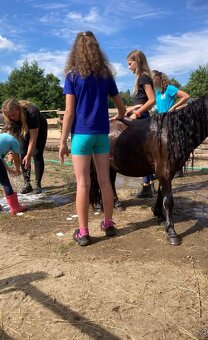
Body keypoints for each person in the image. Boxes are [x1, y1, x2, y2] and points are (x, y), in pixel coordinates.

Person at [59, 31, 126, 247]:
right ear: (97, 49)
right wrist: (118, 116)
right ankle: (108, 224)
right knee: (105, 181)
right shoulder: (106, 75)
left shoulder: (72, 76)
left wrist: (62, 143)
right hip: (101, 135)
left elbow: (69, 113)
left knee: (83, 184)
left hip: (81, 135)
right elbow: (122, 108)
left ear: (76, 50)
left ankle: (84, 232)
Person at [126, 49, 156, 198]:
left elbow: (151, 100)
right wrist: (131, 109)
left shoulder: (144, 78)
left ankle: (147, 185)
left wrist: (137, 113)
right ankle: (147, 186)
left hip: (142, 117)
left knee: (141, 152)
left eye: (130, 63)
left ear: (137, 62)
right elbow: (141, 101)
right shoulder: (141, 78)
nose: (128, 67)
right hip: (138, 113)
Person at [2, 99, 48, 194]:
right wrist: (11, 153)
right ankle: (27, 184)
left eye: (13, 115)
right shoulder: (10, 118)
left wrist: (29, 154)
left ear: (19, 109)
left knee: (37, 153)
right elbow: (10, 138)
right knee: (22, 152)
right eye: (9, 116)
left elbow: (33, 138)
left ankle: (37, 184)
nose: (12, 117)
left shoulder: (32, 112)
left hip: (39, 129)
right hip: (23, 129)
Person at [151, 70, 190, 177]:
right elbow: (158, 106)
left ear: (158, 78)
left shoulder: (170, 89)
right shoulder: (158, 93)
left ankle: (178, 169)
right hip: (160, 121)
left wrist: (174, 107)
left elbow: (186, 96)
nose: (151, 81)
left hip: (170, 121)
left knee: (172, 146)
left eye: (152, 78)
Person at [0, 123, 27, 215]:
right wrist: (18, 169)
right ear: (16, 133)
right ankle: (15, 207)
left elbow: (1, 158)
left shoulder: (1, 136)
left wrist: (8, 169)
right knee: (5, 182)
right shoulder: (13, 140)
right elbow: (16, 158)